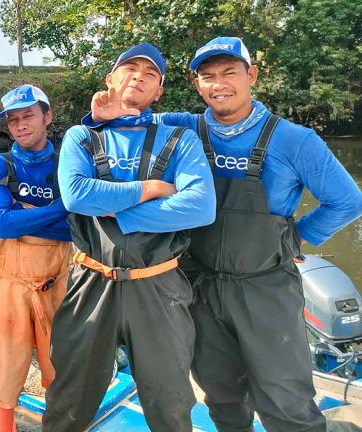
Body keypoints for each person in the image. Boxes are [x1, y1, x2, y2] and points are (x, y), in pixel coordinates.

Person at [90, 36, 362, 432]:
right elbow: (129, 123)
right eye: (208, 76)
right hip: (196, 287)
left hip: (265, 288)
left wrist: (296, 238)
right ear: (197, 85)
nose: (219, 84)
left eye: (229, 73)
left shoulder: (294, 139)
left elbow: (348, 202)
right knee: (220, 395)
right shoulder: (179, 129)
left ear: (251, 75)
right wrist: (108, 112)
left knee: (286, 401)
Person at [43, 43, 216, 432]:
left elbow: (200, 208)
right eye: (129, 68)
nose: (138, 76)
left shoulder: (180, 141)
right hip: (91, 283)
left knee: (171, 404)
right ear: (111, 79)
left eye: (150, 74)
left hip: (159, 287)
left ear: (158, 92)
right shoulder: (81, 137)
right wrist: (152, 187)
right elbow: (76, 195)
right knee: (68, 401)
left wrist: (114, 208)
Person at [0, 85, 72, 431]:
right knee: (2, 374)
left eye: (28, 115)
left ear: (47, 116)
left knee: (61, 370)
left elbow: (77, 230)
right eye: (13, 119)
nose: (20, 125)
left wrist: (24, 214)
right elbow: (2, 225)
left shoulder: (69, 164)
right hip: (8, 286)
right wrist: (61, 208)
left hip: (57, 284)